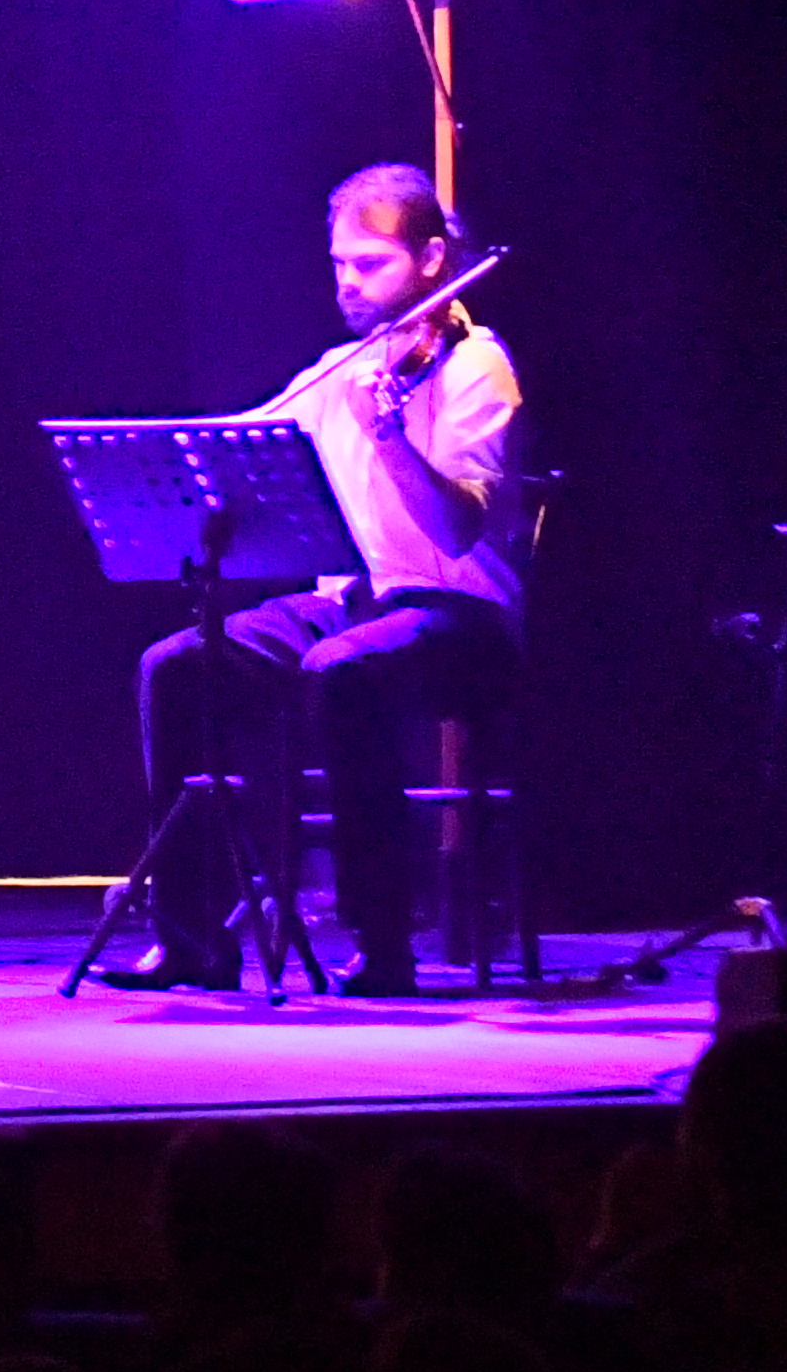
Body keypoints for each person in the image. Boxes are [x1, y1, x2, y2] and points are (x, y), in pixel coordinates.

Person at [109, 161, 519, 996]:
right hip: (358, 600)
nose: (349, 283)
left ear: (432, 259)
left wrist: (390, 437)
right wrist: (162, 466)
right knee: (176, 665)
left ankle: (383, 945)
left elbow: (457, 529)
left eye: (371, 264)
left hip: (461, 615)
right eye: (339, 264)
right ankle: (192, 938)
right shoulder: (345, 369)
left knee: (342, 670)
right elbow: (238, 442)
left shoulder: (474, 365)